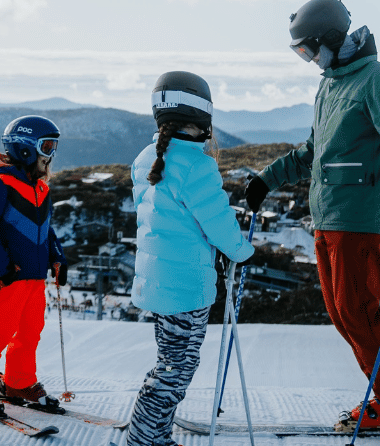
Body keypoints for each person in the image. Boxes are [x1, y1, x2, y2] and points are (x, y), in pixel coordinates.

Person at [242, 0, 380, 432]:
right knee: (342, 315)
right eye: (301, 53)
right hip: (327, 217)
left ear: (331, 39)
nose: (310, 60)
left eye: (310, 50)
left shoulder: (375, 78)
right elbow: (312, 152)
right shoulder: (329, 86)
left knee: (359, 312)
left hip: (358, 217)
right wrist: (266, 180)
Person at [120, 71, 256, 446]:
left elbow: (153, 217)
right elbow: (218, 222)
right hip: (185, 288)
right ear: (202, 117)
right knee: (176, 368)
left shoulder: (145, 159)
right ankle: (144, 438)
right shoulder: (197, 166)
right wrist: (243, 252)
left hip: (155, 282)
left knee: (171, 360)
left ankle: (154, 434)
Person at [0, 115, 70, 409]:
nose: (51, 154)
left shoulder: (40, 188)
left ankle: (18, 382)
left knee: (30, 332)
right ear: (25, 148)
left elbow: (45, 229)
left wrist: (58, 258)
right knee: (0, 330)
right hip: (10, 274)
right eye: (46, 146)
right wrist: (3, 265)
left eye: (53, 147)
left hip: (35, 276)